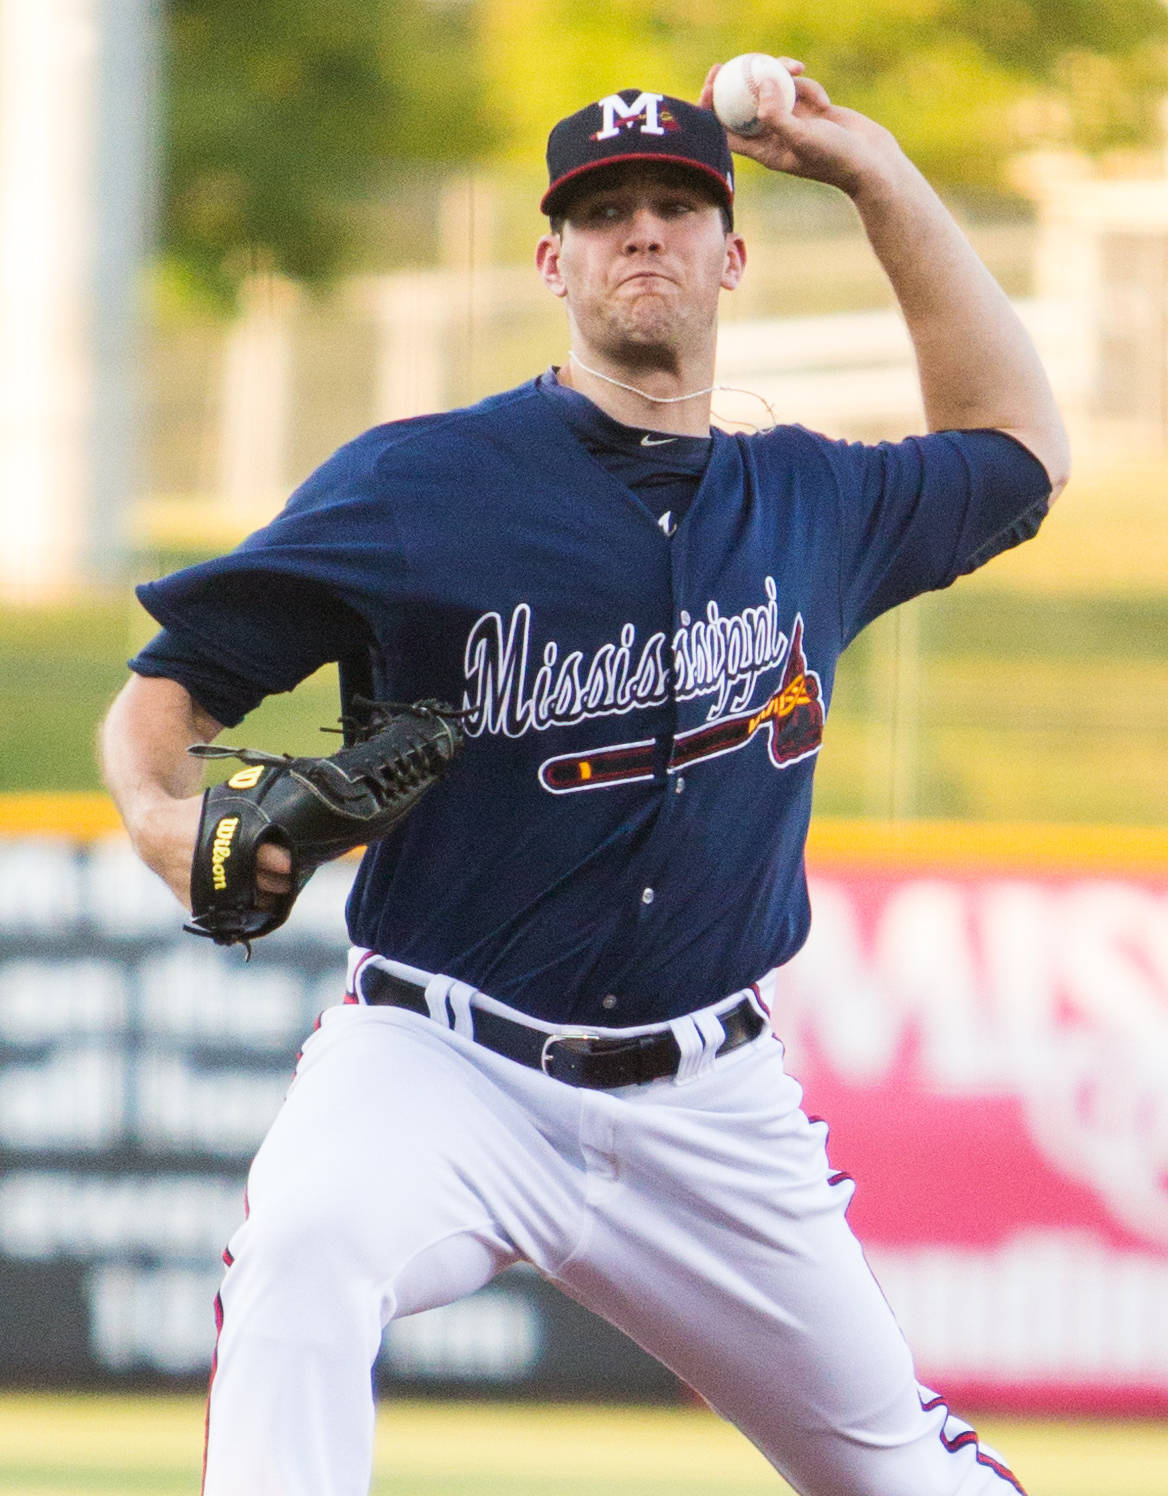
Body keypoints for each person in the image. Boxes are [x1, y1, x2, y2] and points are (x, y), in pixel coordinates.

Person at [100, 59, 1068, 1496]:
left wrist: (872, 169)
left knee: (908, 1478)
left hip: (711, 1102)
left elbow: (1021, 450)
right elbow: (171, 686)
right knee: (304, 1250)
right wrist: (157, 813)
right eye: (605, 210)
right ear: (551, 259)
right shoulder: (420, 483)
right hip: (441, 1064)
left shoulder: (817, 500)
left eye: (677, 206)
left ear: (731, 255)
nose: (643, 234)